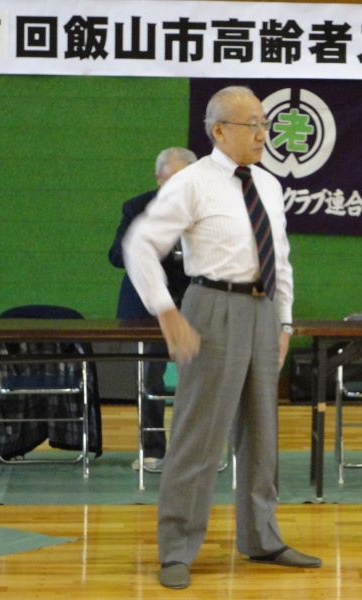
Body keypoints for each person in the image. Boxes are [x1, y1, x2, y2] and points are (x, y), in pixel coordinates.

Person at [123, 86, 321, 590]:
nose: (262, 133)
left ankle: (262, 538)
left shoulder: (268, 184)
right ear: (218, 131)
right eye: (252, 124)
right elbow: (140, 244)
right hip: (212, 307)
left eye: (264, 123)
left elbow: (280, 257)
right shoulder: (192, 183)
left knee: (261, 434)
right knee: (199, 436)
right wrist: (165, 310)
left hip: (262, 311)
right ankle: (176, 549)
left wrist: (284, 322)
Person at [108, 147, 197, 472]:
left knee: (200, 379)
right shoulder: (137, 208)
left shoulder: (206, 206)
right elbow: (117, 255)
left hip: (195, 301)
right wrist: (150, 248)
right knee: (150, 380)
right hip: (148, 306)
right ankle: (153, 450)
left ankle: (197, 451)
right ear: (158, 179)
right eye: (170, 180)